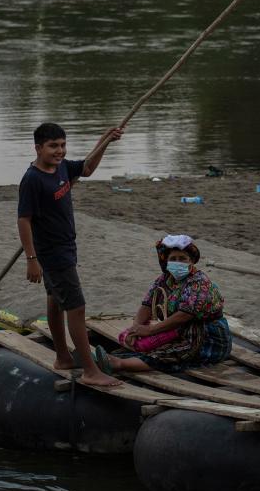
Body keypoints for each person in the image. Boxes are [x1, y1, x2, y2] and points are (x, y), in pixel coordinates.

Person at [17, 122, 123, 387]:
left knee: (55, 300)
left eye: (63, 145)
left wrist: (105, 140)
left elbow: (86, 168)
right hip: (52, 253)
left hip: (66, 246)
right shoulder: (32, 179)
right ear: (38, 148)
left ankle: (64, 357)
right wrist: (31, 259)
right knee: (76, 307)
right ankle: (90, 370)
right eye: (53, 146)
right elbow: (24, 220)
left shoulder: (62, 167)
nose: (60, 151)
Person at [97, 235, 232, 374]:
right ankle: (109, 360)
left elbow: (184, 315)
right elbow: (147, 305)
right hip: (178, 331)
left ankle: (119, 364)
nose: (178, 262)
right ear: (166, 261)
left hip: (206, 338)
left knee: (169, 355)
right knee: (148, 346)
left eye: (182, 258)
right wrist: (135, 328)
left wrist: (148, 330)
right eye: (173, 259)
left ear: (191, 261)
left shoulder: (199, 282)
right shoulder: (164, 279)